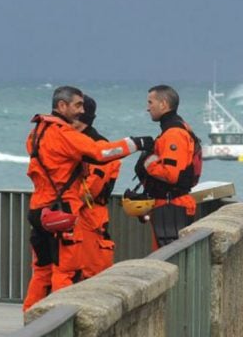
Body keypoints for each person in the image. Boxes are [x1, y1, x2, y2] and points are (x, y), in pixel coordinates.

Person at [23, 86, 153, 311]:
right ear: (61, 106)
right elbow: (101, 154)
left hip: (38, 208)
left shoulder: (37, 132)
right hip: (61, 211)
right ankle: (59, 321)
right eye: (77, 105)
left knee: (43, 269)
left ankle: (31, 319)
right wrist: (136, 143)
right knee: (66, 271)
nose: (81, 111)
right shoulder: (64, 134)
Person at [132, 84, 201, 250]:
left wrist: (148, 163)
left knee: (169, 257)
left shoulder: (174, 133)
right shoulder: (176, 128)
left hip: (172, 206)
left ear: (163, 104)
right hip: (169, 204)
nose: (147, 108)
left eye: (150, 102)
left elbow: (171, 174)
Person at [72, 95, 120, 279]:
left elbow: (92, 187)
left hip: (90, 216)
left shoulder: (100, 147)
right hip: (78, 214)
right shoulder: (77, 144)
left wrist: (67, 203)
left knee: (92, 270)